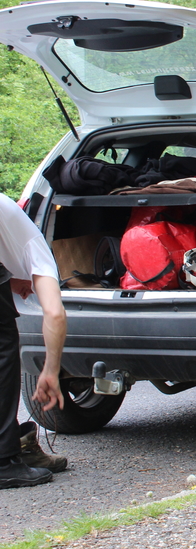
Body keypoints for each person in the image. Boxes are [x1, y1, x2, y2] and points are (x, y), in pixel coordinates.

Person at [1, 193, 68, 489]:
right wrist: (50, 371)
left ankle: (14, 444)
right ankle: (4, 463)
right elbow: (54, 313)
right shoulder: (35, 246)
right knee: (2, 349)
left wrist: (8, 279)